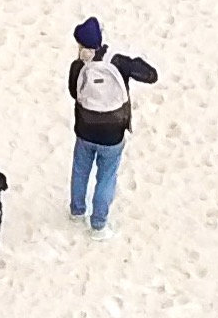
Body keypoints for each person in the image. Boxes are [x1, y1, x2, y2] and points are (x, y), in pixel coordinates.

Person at [67, 16, 158, 232]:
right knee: (106, 177)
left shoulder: (78, 66)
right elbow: (150, 75)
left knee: (80, 171)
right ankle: (98, 224)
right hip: (113, 133)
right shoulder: (117, 61)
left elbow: (74, 93)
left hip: (85, 130)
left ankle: (77, 211)